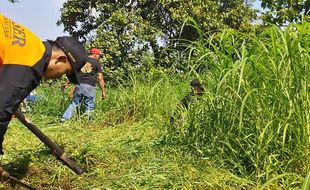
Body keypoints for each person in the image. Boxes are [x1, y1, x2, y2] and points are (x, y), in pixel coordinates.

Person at [0, 14, 89, 155]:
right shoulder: (31, 65)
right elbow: (1, 110)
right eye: (64, 72)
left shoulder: (31, 42)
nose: (59, 77)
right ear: (60, 59)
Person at [60, 48, 107, 122]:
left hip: (79, 85)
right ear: (95, 55)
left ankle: (64, 119)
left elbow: (75, 74)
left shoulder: (82, 60)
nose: (99, 58)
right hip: (90, 86)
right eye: (99, 56)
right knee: (89, 104)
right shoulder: (97, 63)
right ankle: (88, 121)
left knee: (74, 103)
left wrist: (67, 83)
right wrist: (103, 91)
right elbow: (100, 78)